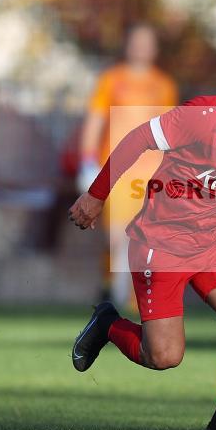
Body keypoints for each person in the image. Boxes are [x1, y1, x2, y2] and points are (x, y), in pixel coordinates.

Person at [68, 39, 216, 430]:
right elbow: (137, 139)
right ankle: (108, 323)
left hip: (214, 243)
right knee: (163, 357)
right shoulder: (207, 116)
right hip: (161, 244)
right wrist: (96, 195)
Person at [79, 23, 180, 309]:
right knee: (115, 237)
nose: (142, 48)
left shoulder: (164, 85)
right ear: (128, 45)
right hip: (115, 171)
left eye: (147, 42)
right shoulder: (111, 80)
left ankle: (136, 303)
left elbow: (169, 131)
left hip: (149, 173)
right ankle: (111, 292)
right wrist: (87, 161)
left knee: (145, 241)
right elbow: (95, 120)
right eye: (137, 41)